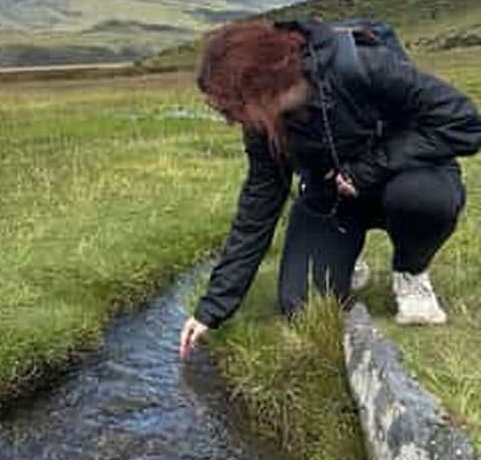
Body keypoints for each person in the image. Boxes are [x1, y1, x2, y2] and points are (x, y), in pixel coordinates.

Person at [179, 18, 481, 360]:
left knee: (423, 200)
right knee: (302, 305)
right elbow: (258, 207)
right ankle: (349, 261)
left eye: (233, 107)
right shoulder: (263, 123)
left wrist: (370, 168)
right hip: (333, 202)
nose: (232, 119)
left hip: (410, 179)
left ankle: (411, 272)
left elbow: (465, 122)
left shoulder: (363, 67)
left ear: (264, 84)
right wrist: (212, 309)